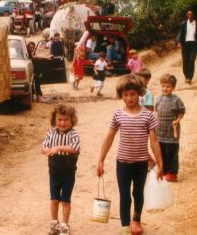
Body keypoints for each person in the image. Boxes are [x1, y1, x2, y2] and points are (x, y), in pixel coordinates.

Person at [96, 74, 164, 235]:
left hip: (141, 164)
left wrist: (160, 164)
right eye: (125, 95)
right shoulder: (118, 115)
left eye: (132, 94)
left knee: (138, 193)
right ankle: (125, 228)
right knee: (125, 195)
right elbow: (109, 137)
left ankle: (136, 220)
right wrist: (101, 160)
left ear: (139, 93)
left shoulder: (148, 116)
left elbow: (154, 141)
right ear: (121, 95)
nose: (129, 98)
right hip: (123, 163)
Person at [42, 104, 80, 235]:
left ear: (72, 120)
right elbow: (44, 148)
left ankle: (64, 225)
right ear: (54, 120)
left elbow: (75, 148)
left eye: (66, 119)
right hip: (54, 172)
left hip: (68, 173)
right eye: (59, 119)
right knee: (54, 200)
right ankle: (54, 223)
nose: (63, 123)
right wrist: (47, 150)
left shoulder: (73, 134)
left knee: (65, 200)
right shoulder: (51, 133)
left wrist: (58, 148)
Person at [155, 74, 185, 183]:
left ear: (173, 87)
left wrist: (177, 121)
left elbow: (181, 112)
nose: (165, 88)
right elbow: (156, 113)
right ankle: (163, 171)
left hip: (172, 132)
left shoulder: (176, 100)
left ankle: (172, 174)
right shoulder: (159, 99)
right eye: (163, 86)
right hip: (160, 132)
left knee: (171, 153)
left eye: (167, 86)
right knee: (161, 152)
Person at [176, 9, 197, 84]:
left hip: (194, 45)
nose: (190, 16)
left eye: (191, 14)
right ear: (187, 15)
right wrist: (178, 42)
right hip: (185, 45)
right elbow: (179, 33)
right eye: (189, 14)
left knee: (191, 60)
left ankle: (189, 77)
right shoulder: (183, 24)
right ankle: (186, 76)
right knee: (185, 61)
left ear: (194, 15)